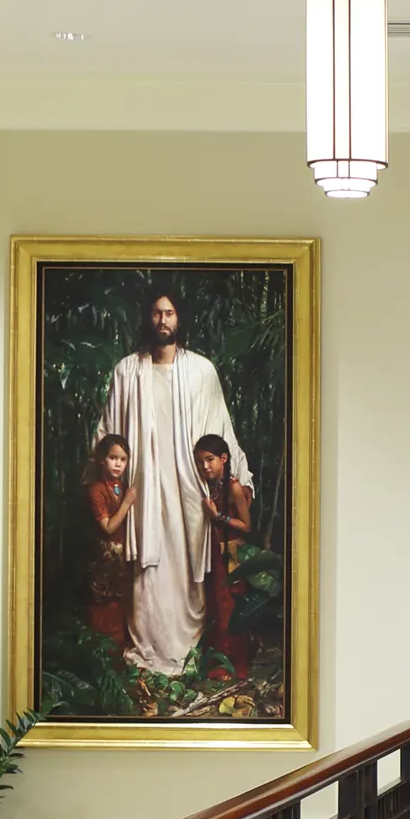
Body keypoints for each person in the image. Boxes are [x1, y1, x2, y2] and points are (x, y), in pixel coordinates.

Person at [93, 285, 251, 679]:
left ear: (180, 319)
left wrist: (236, 479)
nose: (163, 320)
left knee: (186, 561)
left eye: (170, 313)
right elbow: (109, 434)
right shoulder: (127, 370)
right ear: (148, 319)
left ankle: (192, 648)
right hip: (143, 485)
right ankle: (148, 645)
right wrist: (107, 484)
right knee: (149, 566)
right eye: (157, 313)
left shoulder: (201, 370)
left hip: (187, 487)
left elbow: (220, 429)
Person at [192, 432, 254, 684]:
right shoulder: (212, 485)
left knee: (230, 606)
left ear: (224, 459)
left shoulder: (233, 487)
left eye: (210, 460)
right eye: (200, 462)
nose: (205, 466)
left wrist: (218, 516)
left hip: (232, 552)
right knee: (218, 607)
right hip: (217, 552)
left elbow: (246, 526)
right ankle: (219, 663)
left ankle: (233, 665)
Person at [79, 432, 137, 649]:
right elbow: (108, 527)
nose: (118, 464)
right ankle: (102, 656)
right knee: (103, 604)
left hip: (120, 555)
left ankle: (117, 653)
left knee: (120, 603)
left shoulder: (119, 485)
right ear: (102, 459)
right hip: (104, 557)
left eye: (123, 460)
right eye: (113, 458)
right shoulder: (96, 490)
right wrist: (127, 502)